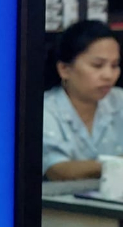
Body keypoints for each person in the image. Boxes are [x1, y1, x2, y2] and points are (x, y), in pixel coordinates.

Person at [44, 20, 123, 180]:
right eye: (97, 65)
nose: (109, 75)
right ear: (64, 69)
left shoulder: (119, 99)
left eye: (114, 65)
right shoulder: (45, 110)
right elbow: (57, 169)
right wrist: (115, 165)